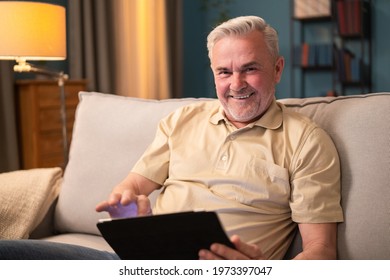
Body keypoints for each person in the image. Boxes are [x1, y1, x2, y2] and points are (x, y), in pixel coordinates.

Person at [0, 15, 343, 260]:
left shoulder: (306, 141)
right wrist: (127, 207)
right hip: (141, 264)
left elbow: (321, 250)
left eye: (250, 69)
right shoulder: (182, 121)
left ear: (278, 69)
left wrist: (261, 273)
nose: (235, 83)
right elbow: (132, 187)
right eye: (224, 71)